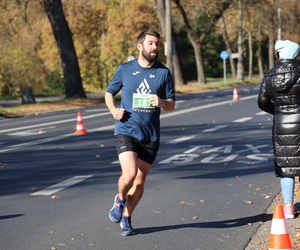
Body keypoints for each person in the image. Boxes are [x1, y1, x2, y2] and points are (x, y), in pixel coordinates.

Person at [105, 30, 175, 236]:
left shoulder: (164, 73)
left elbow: (171, 104)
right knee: (129, 175)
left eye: (157, 44)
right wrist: (113, 111)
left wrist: (162, 102)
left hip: (150, 135)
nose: (155, 47)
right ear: (140, 46)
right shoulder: (125, 70)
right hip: (126, 129)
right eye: (151, 43)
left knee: (139, 181)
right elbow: (109, 93)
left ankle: (126, 217)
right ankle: (119, 199)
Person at [257, 40, 300, 219]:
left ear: (279, 54)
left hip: (282, 124)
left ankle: (288, 207)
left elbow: (262, 101)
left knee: (286, 167)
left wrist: (279, 111)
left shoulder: (269, 76)